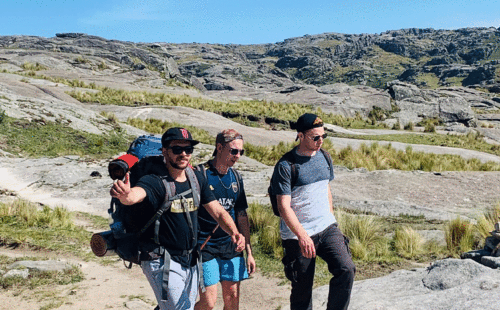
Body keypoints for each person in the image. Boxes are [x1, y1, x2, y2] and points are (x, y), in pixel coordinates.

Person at [110, 127, 245, 310]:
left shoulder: (196, 179)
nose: (183, 154)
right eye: (177, 149)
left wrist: (235, 233)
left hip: (189, 259)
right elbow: (137, 194)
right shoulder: (155, 180)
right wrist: (126, 196)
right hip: (160, 259)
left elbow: (219, 212)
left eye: (188, 149)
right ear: (164, 151)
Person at [270, 113, 356, 310]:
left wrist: (332, 220)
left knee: (346, 269)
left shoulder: (324, 156)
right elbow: (283, 206)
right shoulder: (286, 166)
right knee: (302, 291)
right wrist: (302, 236)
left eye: (323, 137)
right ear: (300, 136)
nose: (320, 141)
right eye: (315, 137)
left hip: (326, 227)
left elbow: (326, 188)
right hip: (297, 235)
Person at [195, 129, 256, 310]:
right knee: (209, 302)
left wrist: (249, 251)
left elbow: (242, 215)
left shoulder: (236, 177)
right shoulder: (201, 175)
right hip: (205, 246)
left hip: (231, 245)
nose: (237, 156)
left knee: (233, 297)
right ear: (219, 147)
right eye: (233, 151)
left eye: (241, 152)